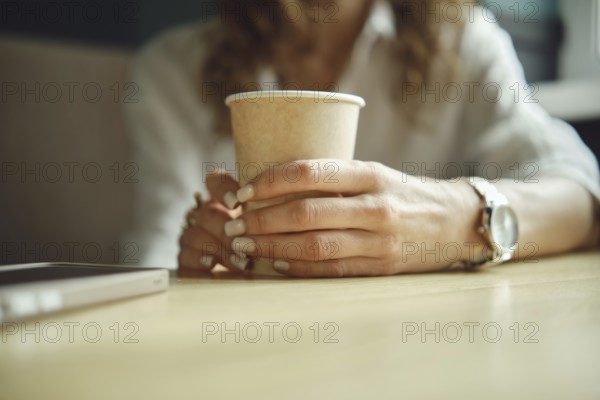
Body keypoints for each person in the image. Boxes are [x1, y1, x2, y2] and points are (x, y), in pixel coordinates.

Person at [123, 0, 599, 277]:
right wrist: (196, 266)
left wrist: (460, 220)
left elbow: (582, 196)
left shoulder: (462, 43)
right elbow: (158, 246)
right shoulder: (173, 70)